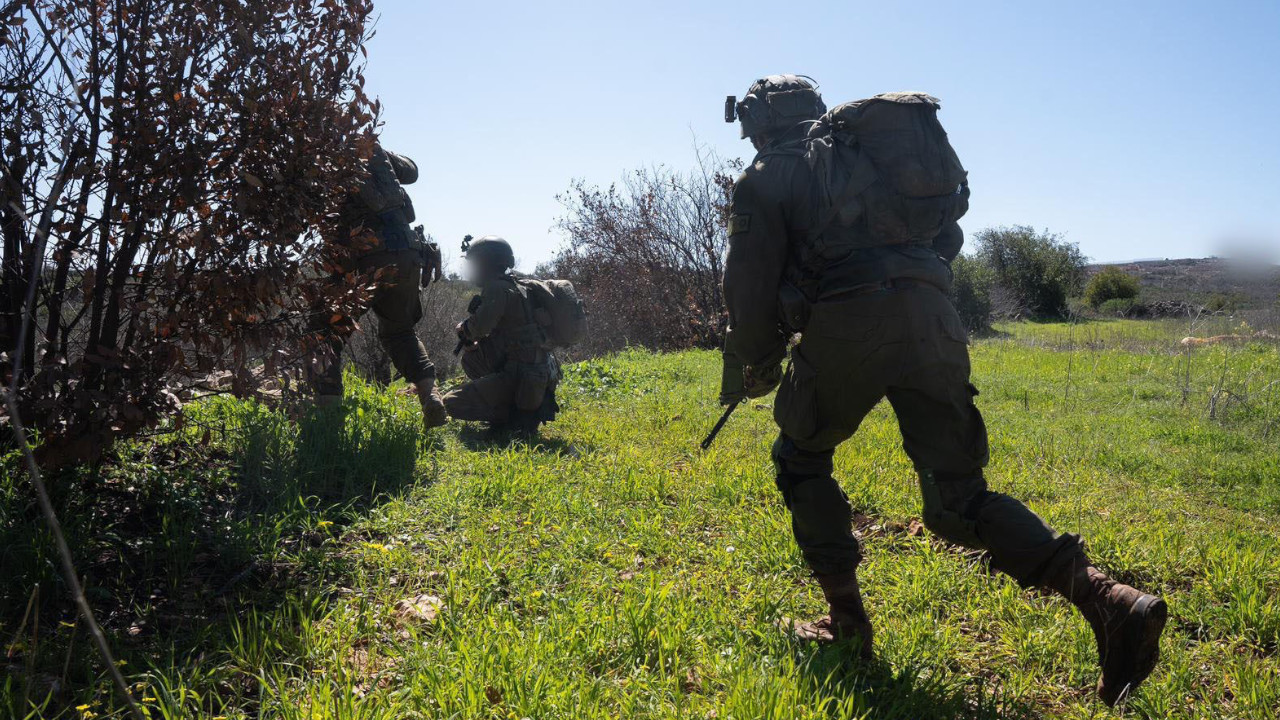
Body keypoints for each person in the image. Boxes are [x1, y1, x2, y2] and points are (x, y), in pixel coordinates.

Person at [720, 74, 1166, 706]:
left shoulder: (767, 173)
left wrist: (759, 361)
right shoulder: (876, 161)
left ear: (760, 122)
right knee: (959, 497)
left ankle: (848, 627)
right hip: (933, 315)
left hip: (851, 322)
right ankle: (1109, 600)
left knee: (801, 459)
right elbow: (948, 240)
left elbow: (749, 284)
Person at [306, 143, 448, 429]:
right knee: (401, 332)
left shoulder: (317, 153)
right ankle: (429, 395)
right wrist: (380, 151)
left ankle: (328, 418)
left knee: (324, 334)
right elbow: (412, 172)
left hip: (362, 254)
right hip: (406, 251)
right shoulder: (370, 151)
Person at [442, 236, 560, 436]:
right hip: (542, 371)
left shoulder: (497, 288)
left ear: (487, 263)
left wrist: (463, 328)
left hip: (522, 373)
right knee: (471, 359)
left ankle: (514, 418)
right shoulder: (519, 285)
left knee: (450, 402)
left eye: (476, 264)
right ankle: (519, 409)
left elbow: (477, 327)